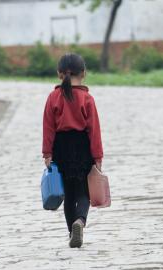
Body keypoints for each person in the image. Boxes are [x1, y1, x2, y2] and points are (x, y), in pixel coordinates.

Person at [42, 53, 103, 248]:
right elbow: (94, 130)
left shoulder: (53, 97)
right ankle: (80, 221)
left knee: (68, 194)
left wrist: (47, 153)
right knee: (84, 192)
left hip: (61, 147)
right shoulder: (87, 98)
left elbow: (48, 127)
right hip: (82, 146)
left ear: (59, 74)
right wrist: (97, 156)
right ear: (83, 73)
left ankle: (71, 232)